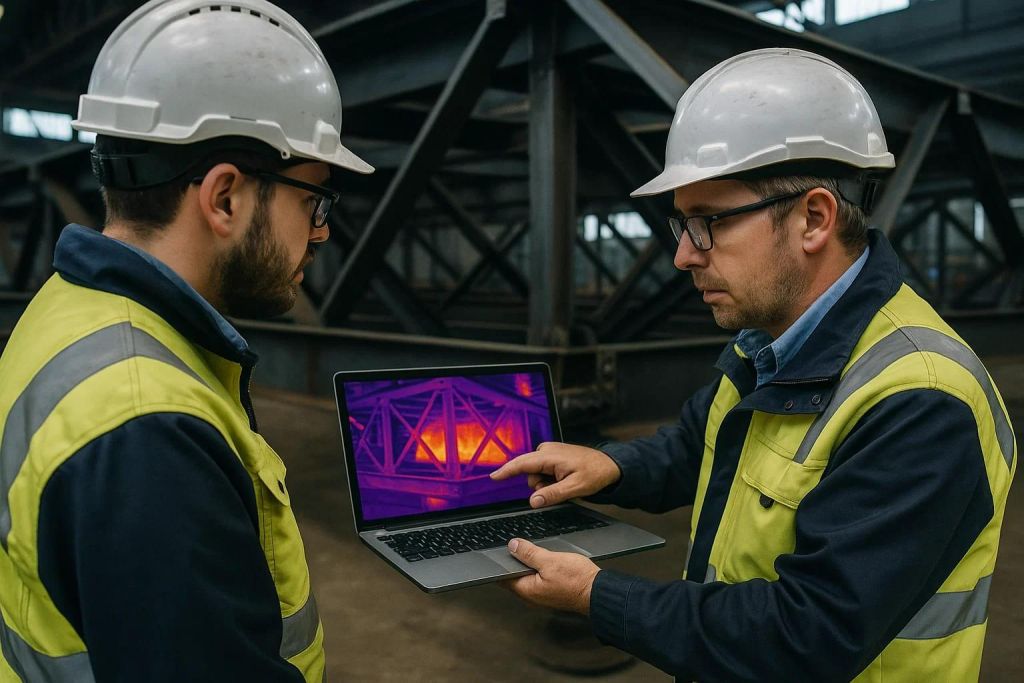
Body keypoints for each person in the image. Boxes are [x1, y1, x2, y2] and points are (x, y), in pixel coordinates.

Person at [492, 48, 1015, 682]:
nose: (684, 255)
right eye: (682, 224)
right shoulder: (770, 338)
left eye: (707, 222)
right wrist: (613, 465)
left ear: (813, 218)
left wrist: (599, 597)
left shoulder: (921, 399)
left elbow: (807, 634)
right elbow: (701, 445)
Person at [0, 1, 372, 680]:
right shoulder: (149, 430)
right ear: (224, 196)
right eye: (311, 201)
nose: (320, 232)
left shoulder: (64, 309)